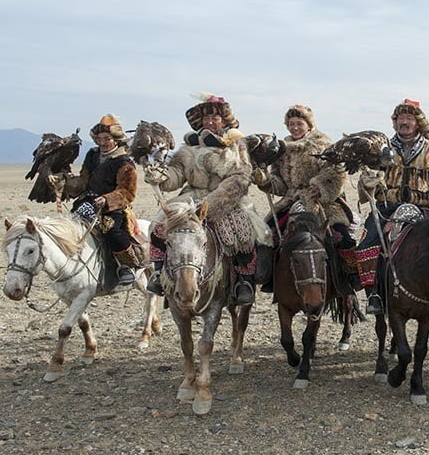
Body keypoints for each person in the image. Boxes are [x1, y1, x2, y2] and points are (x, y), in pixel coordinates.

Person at [144, 94, 272, 306]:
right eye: (206, 118)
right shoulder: (188, 148)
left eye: (215, 118)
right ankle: (159, 275)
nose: (210, 122)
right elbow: (177, 173)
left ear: (224, 121)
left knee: (243, 234)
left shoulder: (236, 146)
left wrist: (212, 203)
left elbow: (240, 177)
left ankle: (244, 282)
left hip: (228, 199)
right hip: (190, 197)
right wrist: (161, 176)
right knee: (160, 228)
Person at [356, 99, 429, 314]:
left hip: (422, 207)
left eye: (409, 118)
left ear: (418, 123)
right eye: (400, 118)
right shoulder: (381, 149)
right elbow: (370, 177)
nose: (404, 122)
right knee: (366, 244)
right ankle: (374, 295)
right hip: (387, 207)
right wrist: (369, 182)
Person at [252, 104, 357, 290]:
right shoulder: (281, 150)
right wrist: (265, 180)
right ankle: (269, 278)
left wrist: (321, 188)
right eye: (291, 124)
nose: (295, 127)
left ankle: (349, 278)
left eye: (299, 123)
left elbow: (337, 172)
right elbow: (281, 185)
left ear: (309, 124)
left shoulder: (323, 145)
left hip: (323, 202)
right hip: (292, 200)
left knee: (340, 237)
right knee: (267, 235)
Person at [56, 114, 140, 285]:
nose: (102, 142)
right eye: (99, 138)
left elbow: (127, 192)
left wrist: (107, 199)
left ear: (115, 139)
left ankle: (127, 265)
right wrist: (64, 183)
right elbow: (83, 181)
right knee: (70, 225)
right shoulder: (92, 155)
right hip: (89, 201)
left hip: (113, 207)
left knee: (111, 231)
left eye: (107, 138)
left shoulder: (124, 162)